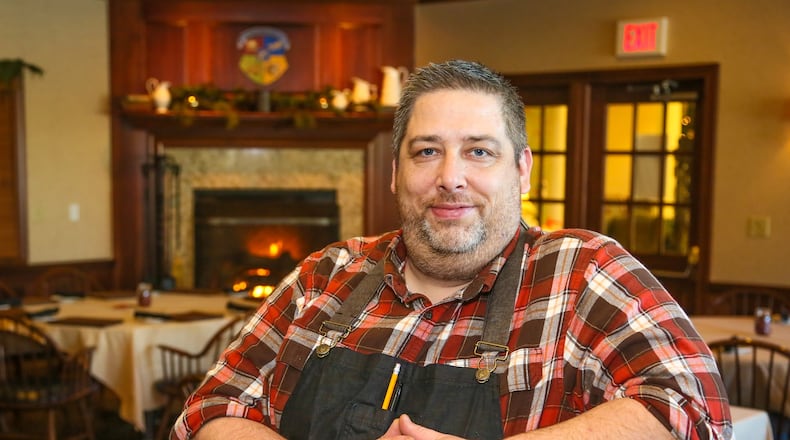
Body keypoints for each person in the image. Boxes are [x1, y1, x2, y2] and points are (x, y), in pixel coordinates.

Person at [172, 60, 731, 440]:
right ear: (395, 173)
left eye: (479, 152)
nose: (451, 177)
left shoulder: (583, 270)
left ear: (522, 169)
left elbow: (692, 410)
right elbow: (207, 413)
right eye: (426, 152)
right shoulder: (326, 273)